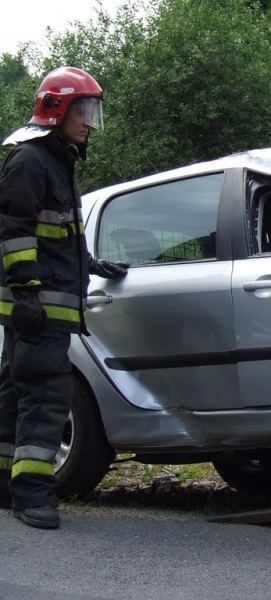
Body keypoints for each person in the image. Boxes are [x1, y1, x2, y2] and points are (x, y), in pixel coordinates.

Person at [0, 66, 128, 530]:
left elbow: (54, 233)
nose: (89, 122)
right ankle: (32, 496)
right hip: (38, 310)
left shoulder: (56, 160)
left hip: (39, 308)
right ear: (55, 110)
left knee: (15, 394)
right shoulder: (31, 161)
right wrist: (28, 294)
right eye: (83, 110)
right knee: (46, 398)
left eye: (93, 111)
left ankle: (4, 485)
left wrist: (89, 263)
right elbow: (14, 233)